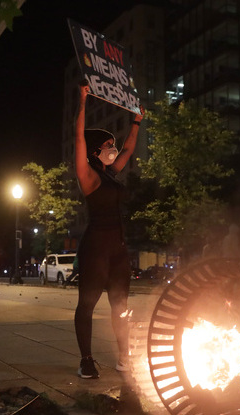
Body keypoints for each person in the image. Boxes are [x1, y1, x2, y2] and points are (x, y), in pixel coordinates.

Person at [73, 81, 143, 379]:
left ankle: (124, 357)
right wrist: (82, 102)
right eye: (107, 147)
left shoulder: (111, 175)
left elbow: (128, 148)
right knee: (87, 304)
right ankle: (86, 360)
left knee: (120, 306)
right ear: (93, 152)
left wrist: (137, 120)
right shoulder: (88, 177)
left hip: (118, 249)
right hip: (96, 250)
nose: (113, 150)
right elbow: (77, 137)